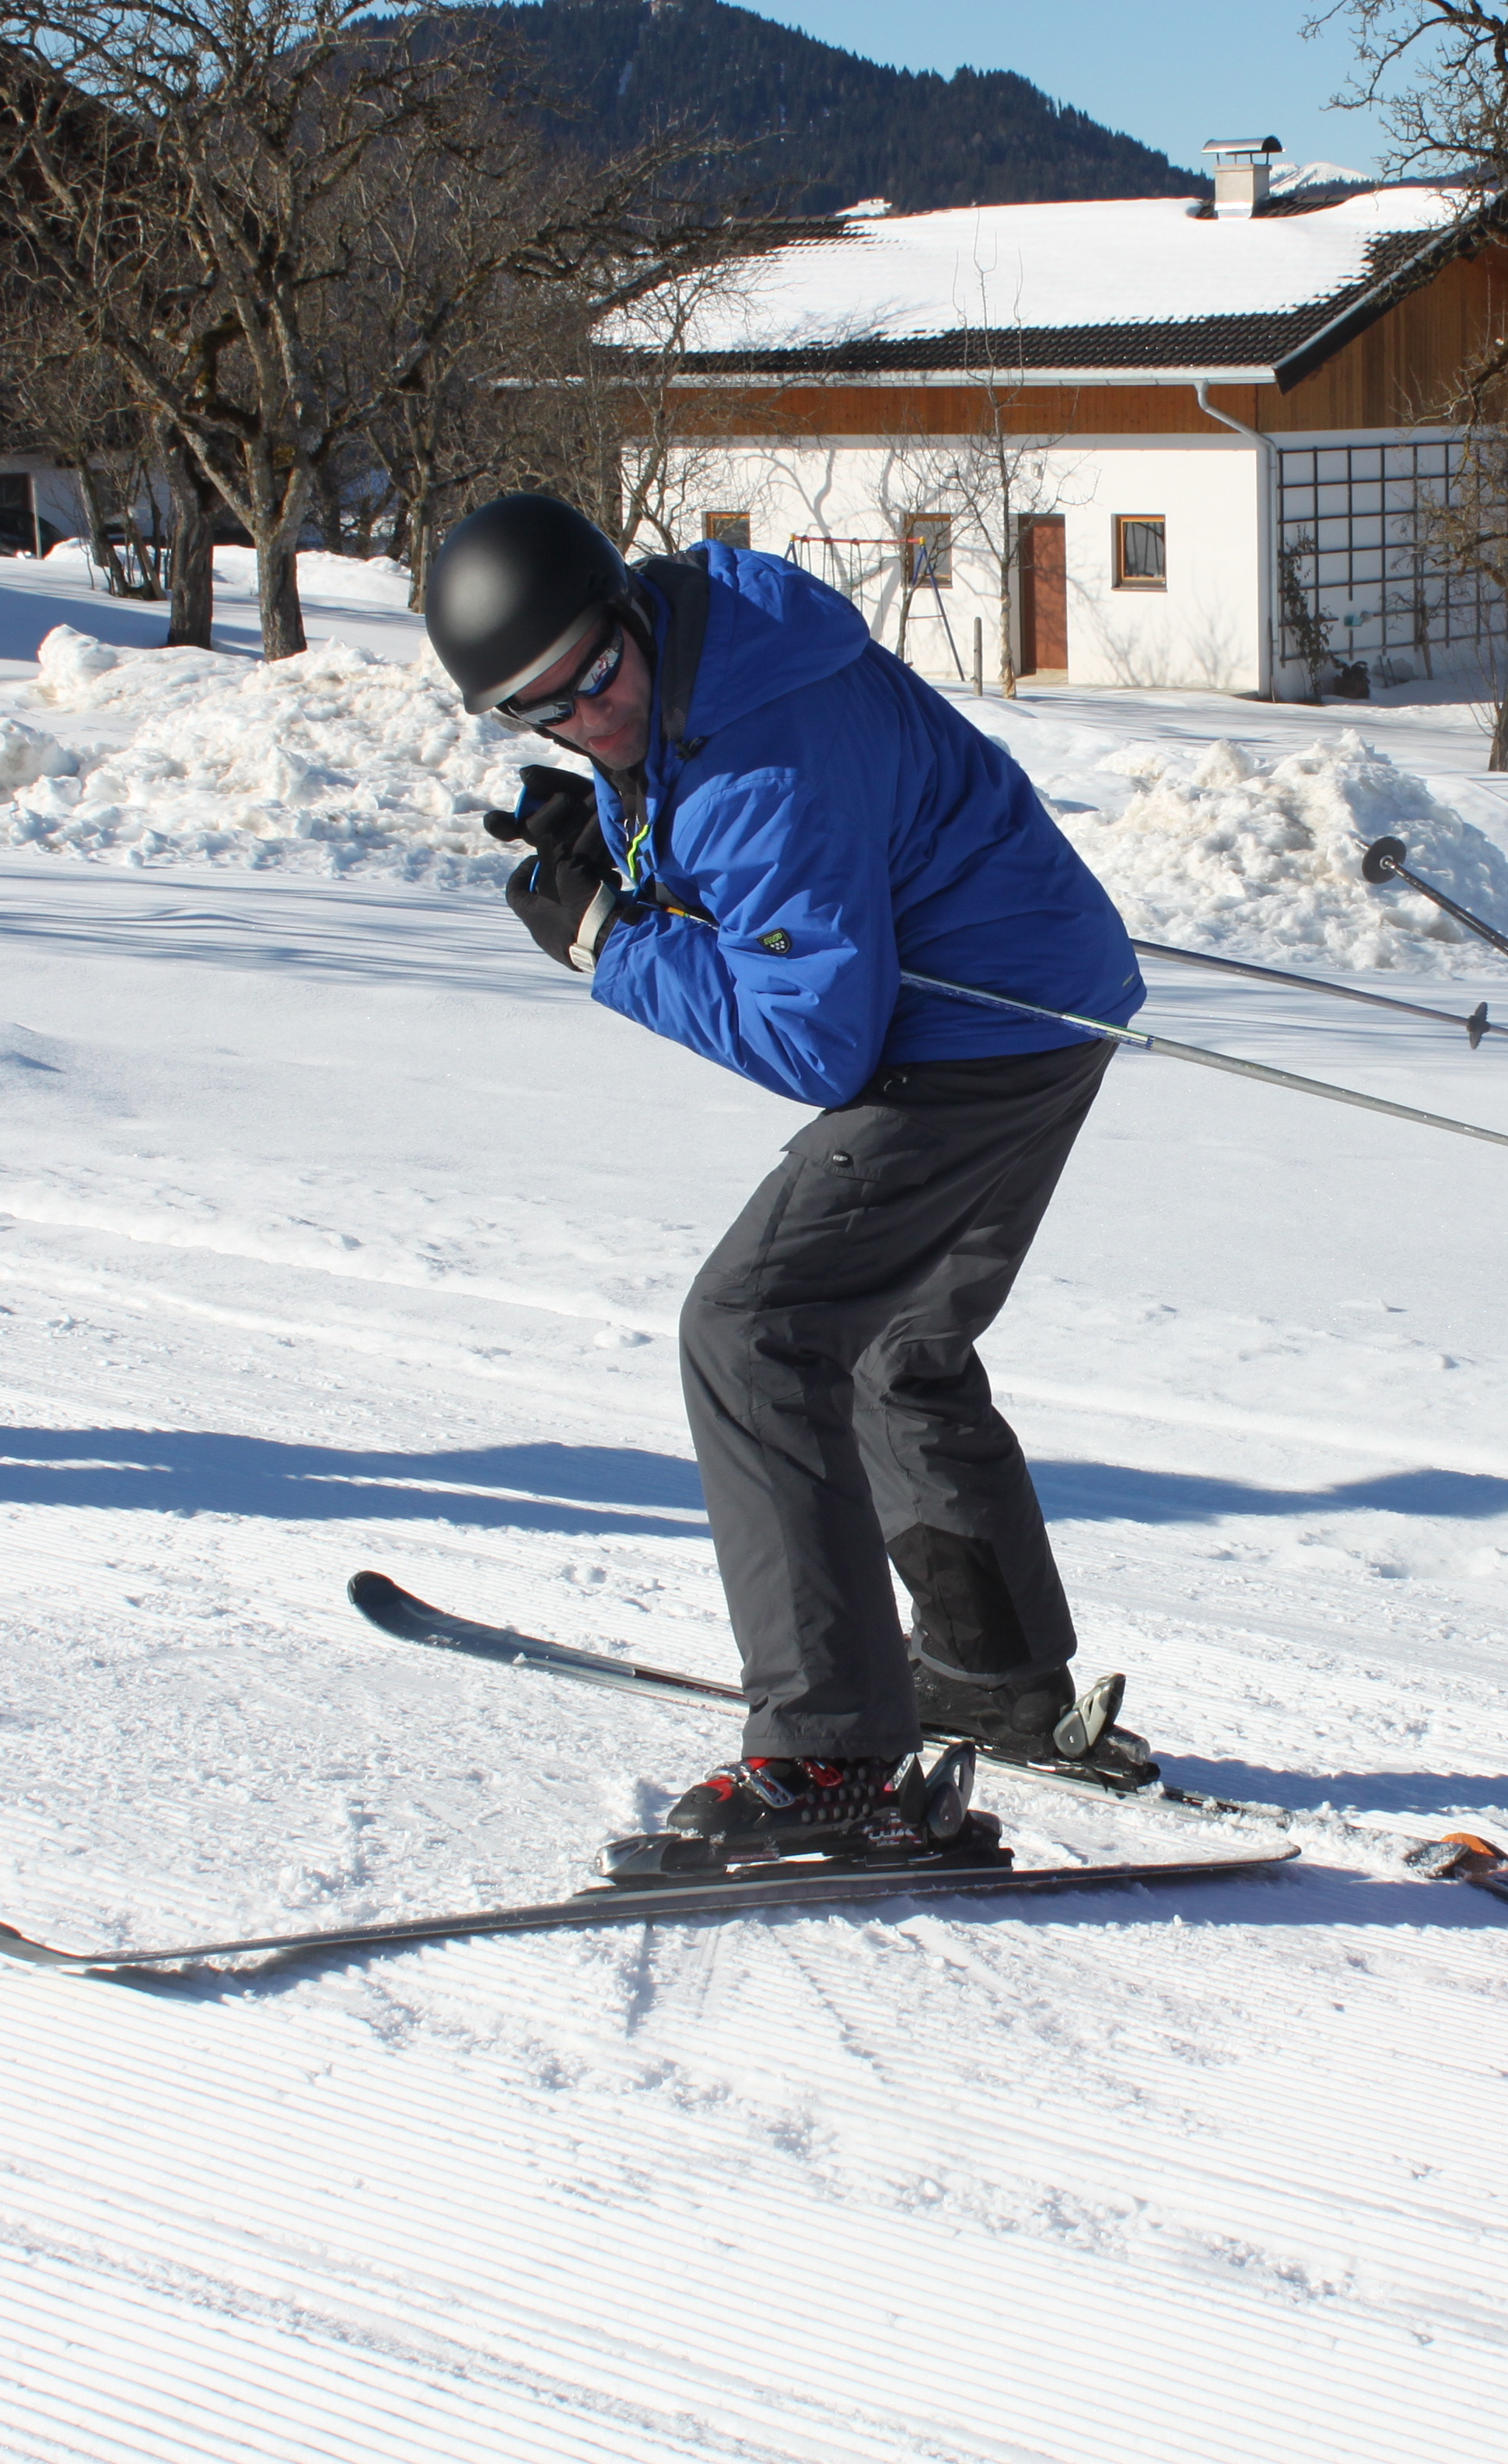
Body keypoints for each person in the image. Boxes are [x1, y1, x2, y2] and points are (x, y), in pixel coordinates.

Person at [422, 492, 1147, 1870]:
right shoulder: (710, 652)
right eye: (540, 709)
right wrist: (627, 859)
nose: (588, 714)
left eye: (595, 671)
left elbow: (813, 1037)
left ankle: (830, 1752)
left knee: (755, 1326)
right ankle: (991, 1672)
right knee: (895, 1341)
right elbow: (779, 898)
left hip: (976, 1035)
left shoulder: (759, 754)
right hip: (1038, 1000)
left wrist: (610, 942)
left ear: (626, 608)